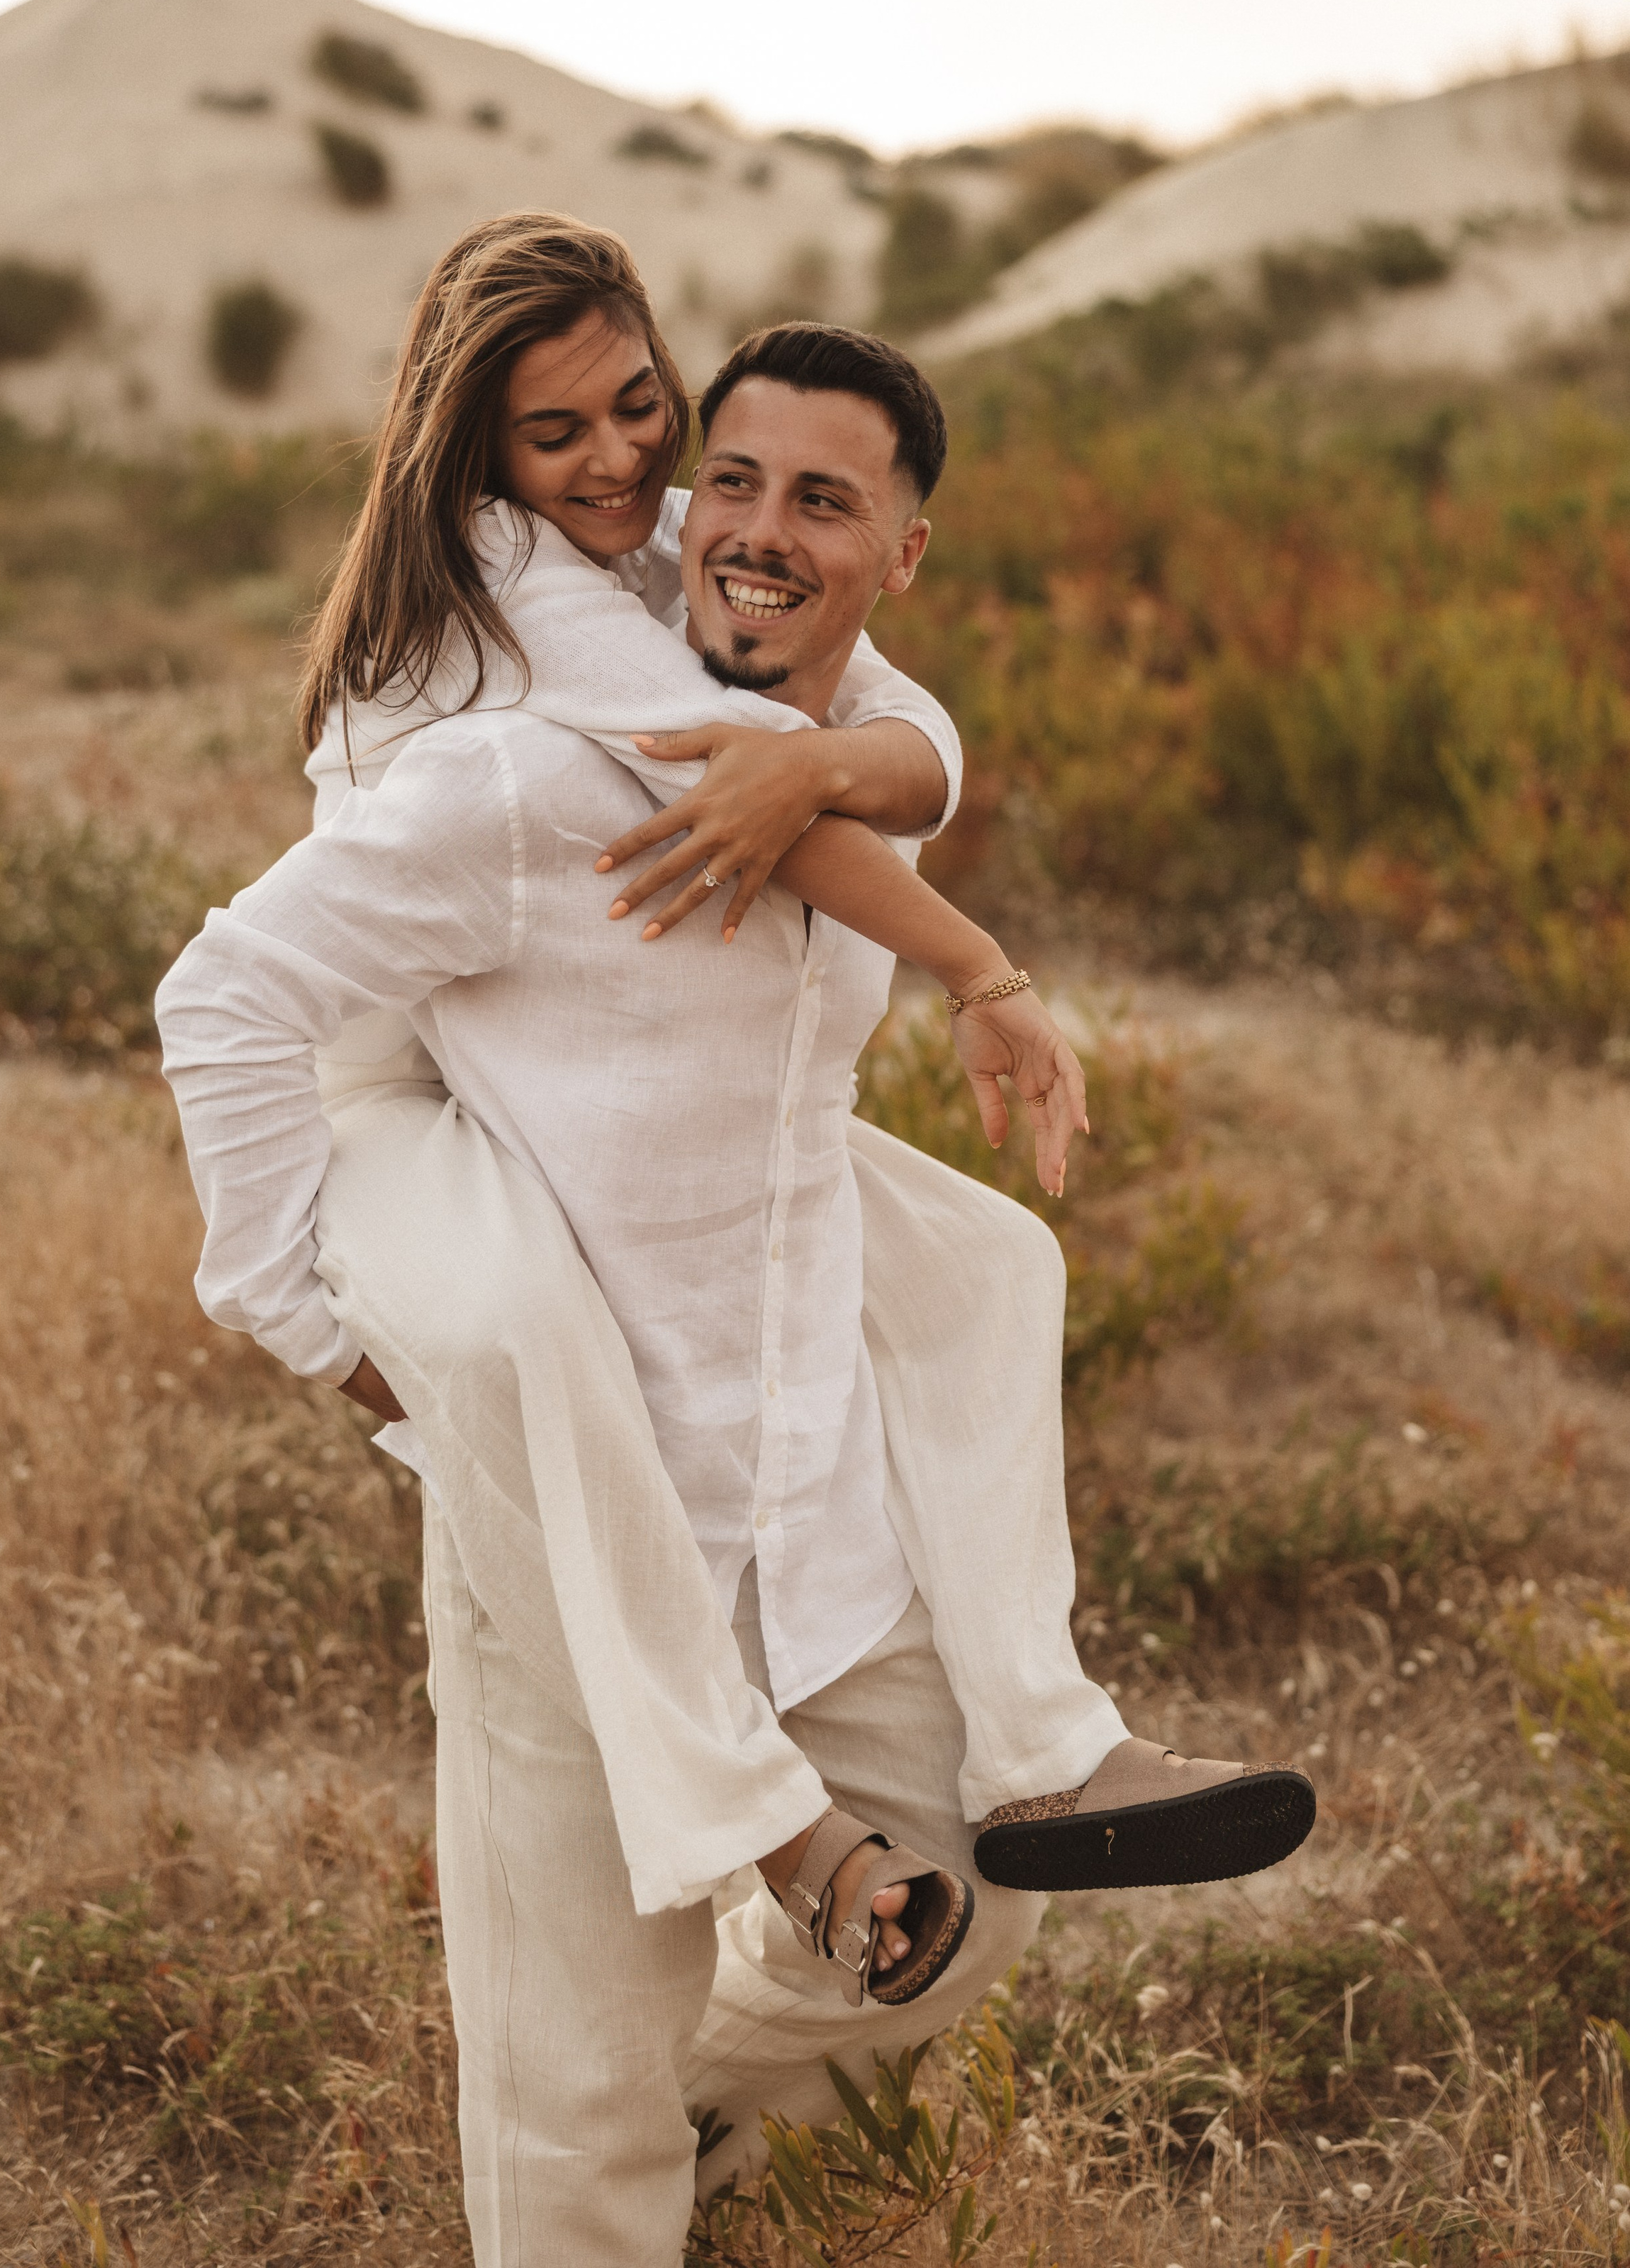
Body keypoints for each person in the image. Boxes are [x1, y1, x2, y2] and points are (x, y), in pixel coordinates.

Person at [157, 220, 1314, 2264]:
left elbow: (902, 745)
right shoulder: (518, 759)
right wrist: (295, 1309)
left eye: (650, 418)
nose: (642, 472)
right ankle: (645, 2105)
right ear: (486, 461)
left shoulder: (743, 621)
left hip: (799, 1470)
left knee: (962, 1896)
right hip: (574, 1474)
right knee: (571, 2088)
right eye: (570, 439)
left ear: (894, 547)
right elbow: (227, 994)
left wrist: (839, 769)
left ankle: (740, 2071)